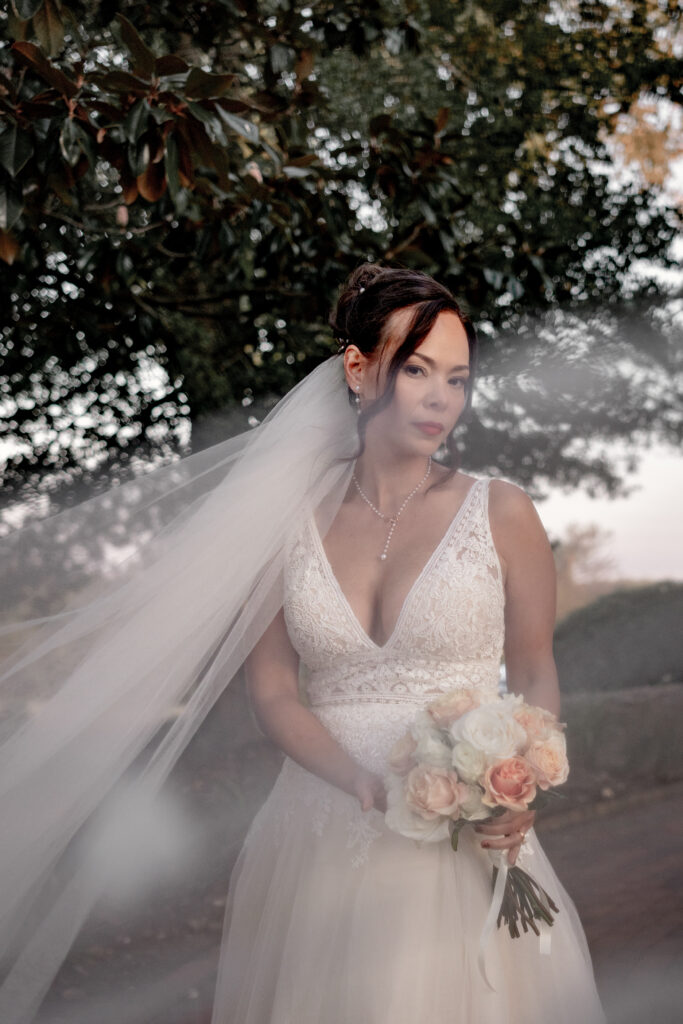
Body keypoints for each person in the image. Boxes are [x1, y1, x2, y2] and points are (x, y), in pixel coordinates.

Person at [209, 264, 607, 1023]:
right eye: (416, 368)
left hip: (466, 836)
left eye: (456, 378)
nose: (439, 398)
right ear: (358, 370)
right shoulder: (280, 522)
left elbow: (531, 669)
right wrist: (356, 779)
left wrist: (518, 779)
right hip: (317, 835)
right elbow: (271, 690)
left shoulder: (501, 510)